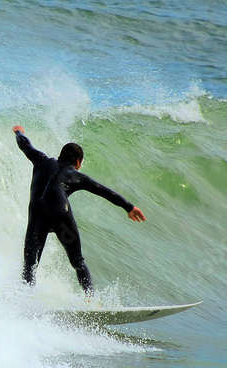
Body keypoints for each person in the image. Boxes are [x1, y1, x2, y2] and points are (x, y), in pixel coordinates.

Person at [13, 125, 145, 294]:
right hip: (59, 214)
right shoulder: (76, 175)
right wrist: (129, 207)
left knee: (30, 265)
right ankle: (91, 299)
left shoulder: (41, 160)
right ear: (77, 162)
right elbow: (104, 191)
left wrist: (18, 132)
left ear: (61, 156)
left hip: (37, 212)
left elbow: (25, 144)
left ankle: (25, 299)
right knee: (77, 261)